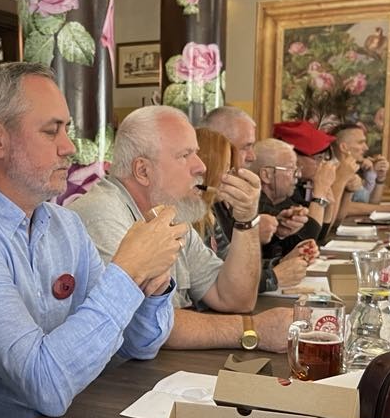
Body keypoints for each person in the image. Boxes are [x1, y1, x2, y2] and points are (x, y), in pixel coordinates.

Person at [0, 63, 184, 418]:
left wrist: (152, 282)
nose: (69, 146)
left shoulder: (64, 224)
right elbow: (46, 385)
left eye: (66, 129)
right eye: (51, 131)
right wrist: (128, 273)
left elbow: (138, 345)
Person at [69, 106, 293, 352]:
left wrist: (246, 221)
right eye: (185, 155)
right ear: (143, 170)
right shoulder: (104, 216)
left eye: (196, 153)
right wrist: (252, 330)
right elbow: (141, 326)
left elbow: (234, 298)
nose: (201, 166)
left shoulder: (168, 211)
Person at [192, 128, 314, 293]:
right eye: (227, 170)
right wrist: (273, 277)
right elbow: (216, 285)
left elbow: (228, 265)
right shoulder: (195, 215)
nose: (251, 157)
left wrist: (279, 264)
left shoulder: (211, 211)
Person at [199, 106, 309, 255]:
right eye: (246, 147)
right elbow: (217, 265)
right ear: (219, 147)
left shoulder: (228, 193)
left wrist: (276, 232)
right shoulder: (198, 200)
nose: (252, 157)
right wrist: (249, 234)